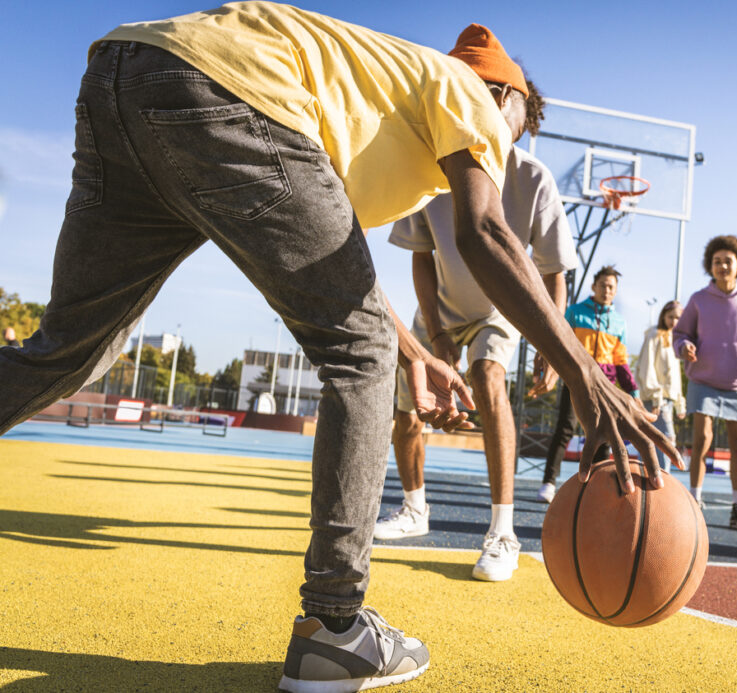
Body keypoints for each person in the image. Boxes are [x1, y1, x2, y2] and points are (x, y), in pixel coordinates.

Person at [0, 6, 679, 692]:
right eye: (518, 133)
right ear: (506, 98)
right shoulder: (468, 90)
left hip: (123, 69)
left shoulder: (371, 100)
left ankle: (336, 624)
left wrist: (413, 351)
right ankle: (333, 628)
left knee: (64, 350)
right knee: (359, 357)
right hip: (228, 88)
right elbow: (483, 232)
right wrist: (588, 378)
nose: (507, 153)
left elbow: (335, 265)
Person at [375, 79, 577, 583]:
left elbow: (554, 273)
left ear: (516, 108)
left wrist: (553, 345)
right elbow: (422, 259)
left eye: (492, 90)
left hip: (498, 310)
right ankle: (415, 508)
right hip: (439, 306)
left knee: (489, 378)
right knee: (407, 411)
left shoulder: (533, 179)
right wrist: (436, 338)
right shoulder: (436, 172)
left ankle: (502, 532)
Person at [674, 235, 737, 532]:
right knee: (702, 439)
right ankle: (694, 502)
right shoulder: (698, 299)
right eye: (716, 261)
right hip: (703, 379)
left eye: (727, 261)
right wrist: (684, 347)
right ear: (710, 266)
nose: (722, 265)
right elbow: (680, 334)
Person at [536, 266, 650, 503]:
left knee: (604, 434)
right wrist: (551, 370)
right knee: (565, 428)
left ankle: (598, 487)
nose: (607, 290)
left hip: (606, 387)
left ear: (615, 291)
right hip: (576, 380)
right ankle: (548, 482)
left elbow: (621, 361)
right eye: (603, 285)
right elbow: (560, 343)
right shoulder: (576, 312)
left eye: (611, 287)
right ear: (594, 286)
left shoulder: (619, 322)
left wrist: (633, 392)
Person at [636, 300, 686, 472]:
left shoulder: (676, 340)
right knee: (666, 438)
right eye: (670, 316)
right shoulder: (654, 335)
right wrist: (655, 396)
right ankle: (661, 477)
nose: (674, 321)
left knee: (656, 439)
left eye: (678, 318)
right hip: (656, 399)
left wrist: (680, 402)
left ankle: (654, 476)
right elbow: (646, 366)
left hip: (669, 400)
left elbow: (675, 375)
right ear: (663, 316)